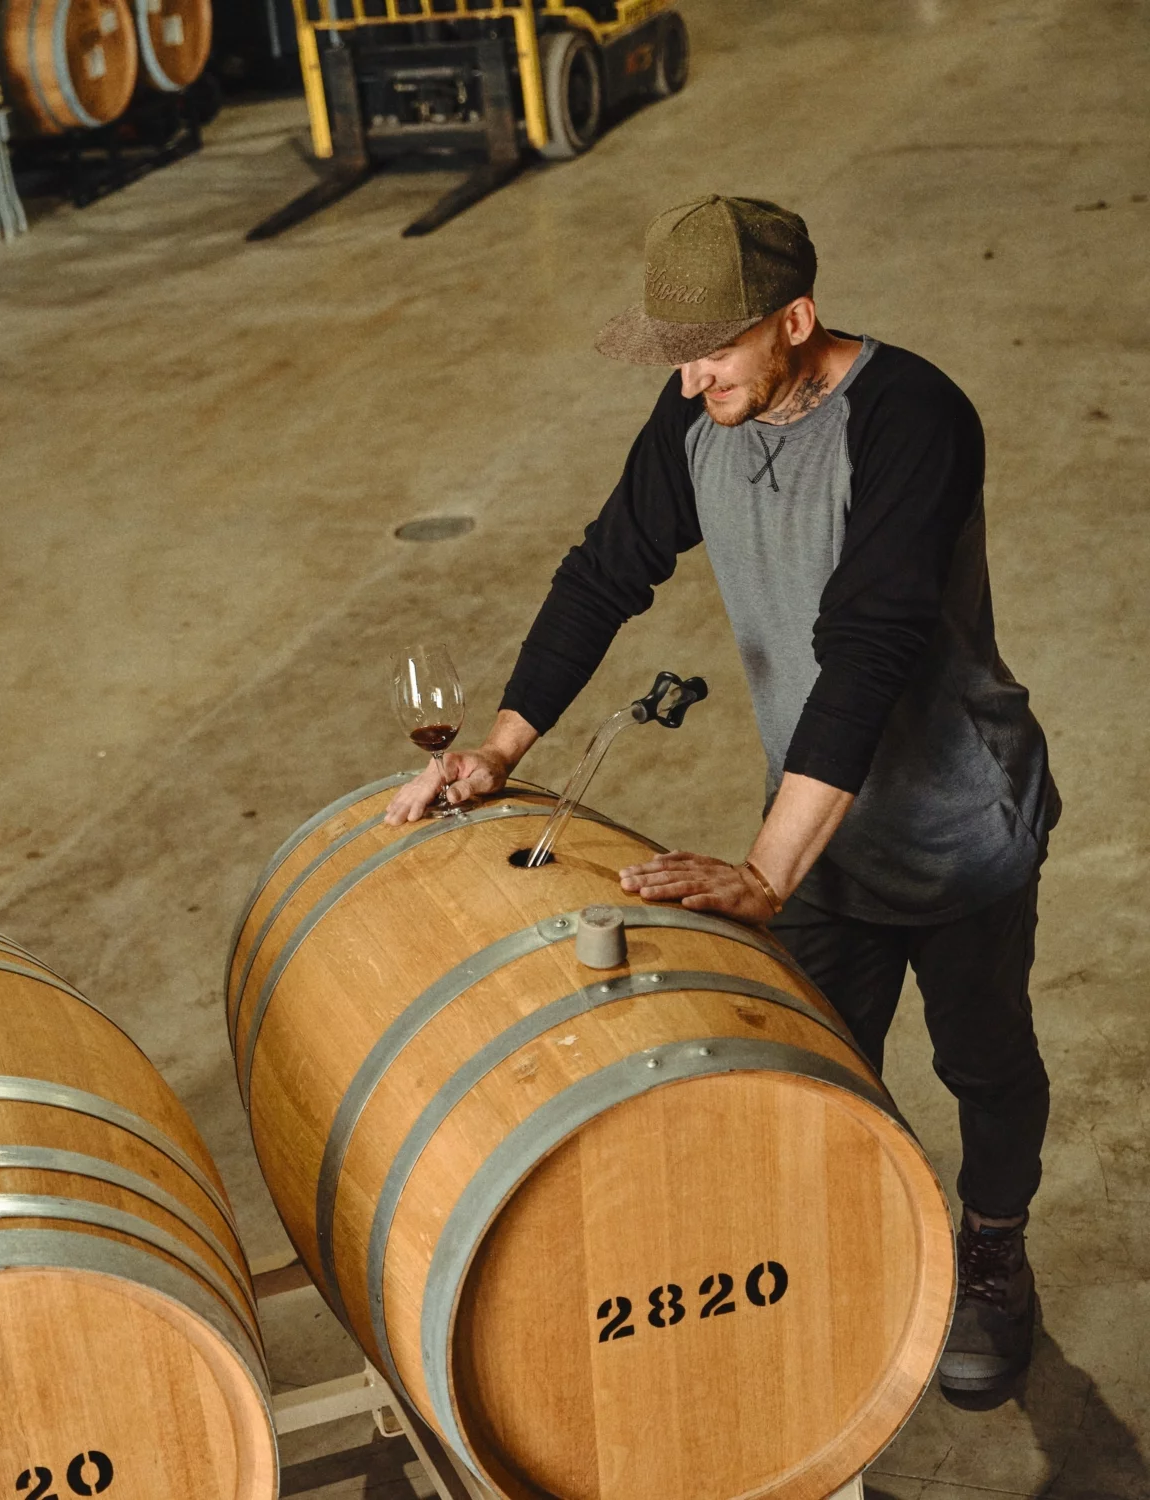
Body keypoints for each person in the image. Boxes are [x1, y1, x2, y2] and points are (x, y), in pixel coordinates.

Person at [387, 195, 1058, 1401]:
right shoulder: (698, 411)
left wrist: (763, 872)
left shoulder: (910, 420)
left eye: (711, 352)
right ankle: (847, 1263)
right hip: (816, 833)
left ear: (793, 320)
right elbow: (605, 572)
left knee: (981, 1060)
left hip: (955, 818)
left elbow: (868, 647)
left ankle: (995, 1250)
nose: (692, 381)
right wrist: (494, 748)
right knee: (808, 1075)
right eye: (677, 358)